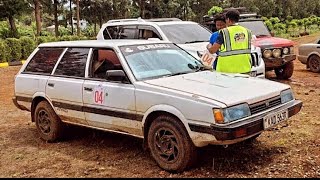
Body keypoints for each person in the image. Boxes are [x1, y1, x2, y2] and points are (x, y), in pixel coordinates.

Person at [207, 9, 252, 74]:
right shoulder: (247, 31)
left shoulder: (224, 32)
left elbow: (212, 50)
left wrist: (209, 46)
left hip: (226, 70)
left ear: (228, 19)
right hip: (244, 68)